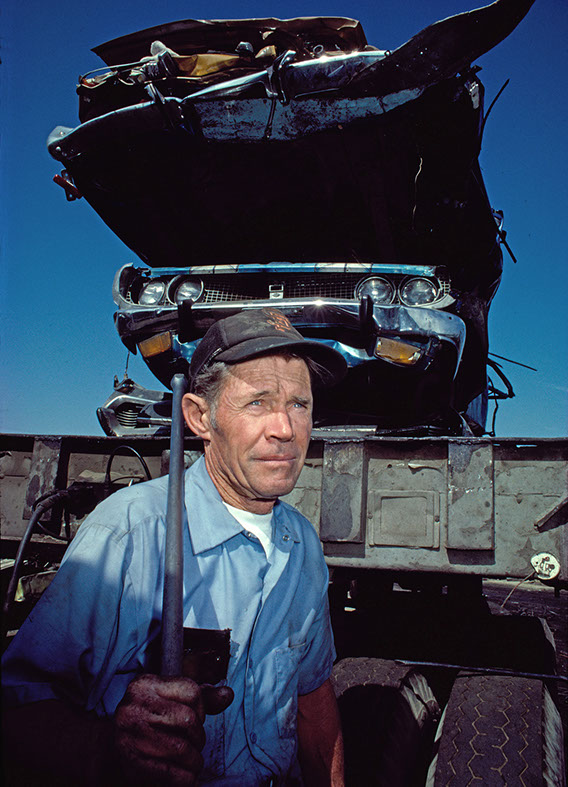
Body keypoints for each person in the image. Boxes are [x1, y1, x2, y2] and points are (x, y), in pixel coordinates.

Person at [2, 308, 348, 786]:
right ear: (200, 418)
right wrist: (109, 749)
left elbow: (312, 695)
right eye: (257, 403)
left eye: (299, 404)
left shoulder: (302, 543)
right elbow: (16, 704)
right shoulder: (130, 533)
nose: (285, 428)